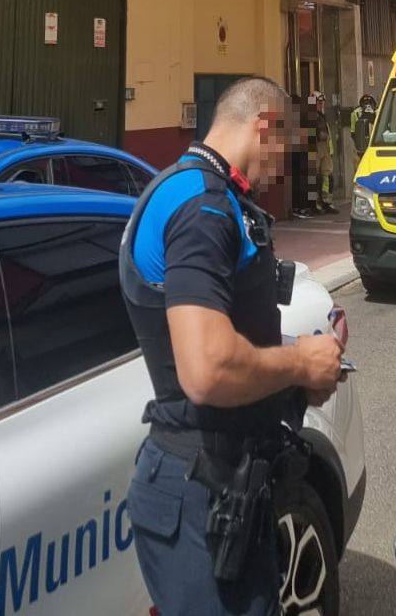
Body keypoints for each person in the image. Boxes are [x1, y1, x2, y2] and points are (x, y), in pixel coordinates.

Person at [119, 77, 344, 615]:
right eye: (283, 153)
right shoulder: (203, 209)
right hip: (201, 489)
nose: (280, 171)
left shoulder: (206, 196)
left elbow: (229, 336)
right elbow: (206, 369)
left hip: (226, 484)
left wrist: (301, 367)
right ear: (264, 126)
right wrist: (298, 363)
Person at [311, 91, 339, 214]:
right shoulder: (308, 116)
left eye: (322, 102)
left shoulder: (321, 115)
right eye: (319, 102)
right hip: (315, 149)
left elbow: (327, 135)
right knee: (315, 177)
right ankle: (316, 204)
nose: (321, 105)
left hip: (324, 149)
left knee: (327, 176)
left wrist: (330, 150)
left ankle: (326, 201)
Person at [350, 94, 377, 158]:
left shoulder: (377, 112)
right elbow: (353, 133)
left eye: (369, 104)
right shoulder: (355, 113)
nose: (367, 107)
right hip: (361, 148)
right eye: (365, 104)